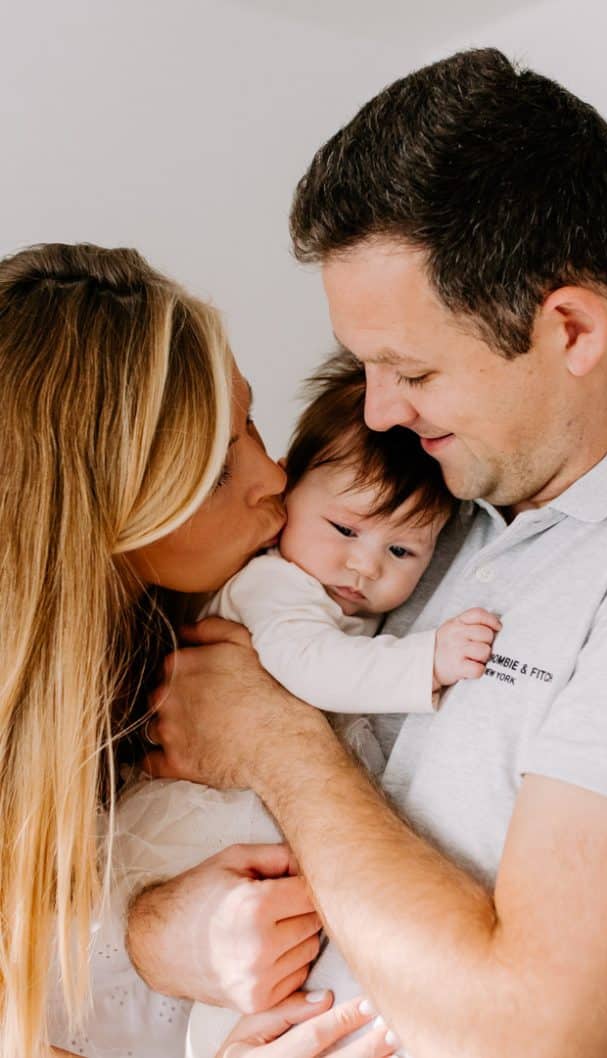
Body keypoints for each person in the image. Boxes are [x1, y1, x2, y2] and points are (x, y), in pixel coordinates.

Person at [136, 48, 607, 1058]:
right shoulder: (447, 488)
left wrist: (270, 736)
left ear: (568, 327)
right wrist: (166, 925)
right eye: (365, 366)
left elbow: (536, 1029)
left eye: (413, 368)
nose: (381, 409)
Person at [0, 241, 398, 1058]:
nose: (274, 477)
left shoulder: (246, 602)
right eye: (217, 468)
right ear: (100, 510)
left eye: (250, 420)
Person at [68, 354, 497, 1058]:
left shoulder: (329, 589)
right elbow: (312, 667)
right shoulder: (275, 587)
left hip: (241, 836)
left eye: (401, 550)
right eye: (345, 531)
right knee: (233, 991)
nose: (365, 566)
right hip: (200, 827)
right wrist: (426, 662)